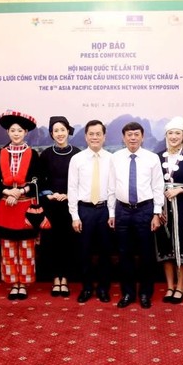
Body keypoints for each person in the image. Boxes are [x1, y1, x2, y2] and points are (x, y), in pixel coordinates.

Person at [108, 121, 165, 309]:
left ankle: (146, 294)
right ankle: (128, 293)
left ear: (142, 136)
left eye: (136, 134)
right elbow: (111, 187)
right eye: (129, 135)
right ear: (123, 137)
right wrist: (112, 213)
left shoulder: (152, 158)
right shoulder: (115, 158)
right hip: (122, 211)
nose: (133, 138)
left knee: (147, 255)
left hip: (145, 210)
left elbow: (158, 187)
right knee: (124, 254)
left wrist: (156, 213)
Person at [0, 110, 41, 301]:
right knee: (8, 248)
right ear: (7, 132)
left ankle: (24, 283)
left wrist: (20, 192)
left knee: (26, 248)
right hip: (5, 206)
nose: (16, 134)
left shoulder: (33, 154)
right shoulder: (0, 154)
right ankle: (14, 283)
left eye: (20, 130)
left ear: (26, 132)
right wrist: (8, 192)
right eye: (12, 130)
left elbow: (38, 180)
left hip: (25, 207)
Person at [68, 120, 114, 303]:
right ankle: (87, 288)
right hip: (84, 210)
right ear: (86, 137)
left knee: (105, 252)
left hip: (104, 210)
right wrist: (74, 215)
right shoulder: (77, 159)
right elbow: (72, 188)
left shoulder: (111, 159)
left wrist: (112, 213)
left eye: (98, 134)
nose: (95, 137)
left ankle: (103, 289)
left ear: (104, 137)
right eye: (91, 134)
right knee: (84, 252)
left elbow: (112, 189)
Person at [157, 117, 183, 304]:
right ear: (166, 135)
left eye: (178, 133)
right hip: (163, 208)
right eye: (170, 133)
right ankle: (169, 286)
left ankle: (180, 287)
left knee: (182, 245)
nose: (174, 136)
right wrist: (157, 208)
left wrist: (181, 189)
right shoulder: (158, 157)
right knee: (165, 246)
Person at [39, 116, 81, 297]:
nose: (59, 133)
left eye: (62, 130)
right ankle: (56, 278)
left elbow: (82, 180)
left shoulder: (77, 154)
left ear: (68, 131)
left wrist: (69, 195)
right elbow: (40, 179)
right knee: (52, 243)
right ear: (51, 134)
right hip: (51, 205)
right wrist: (50, 194)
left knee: (68, 242)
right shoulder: (46, 154)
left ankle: (66, 278)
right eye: (56, 131)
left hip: (71, 206)